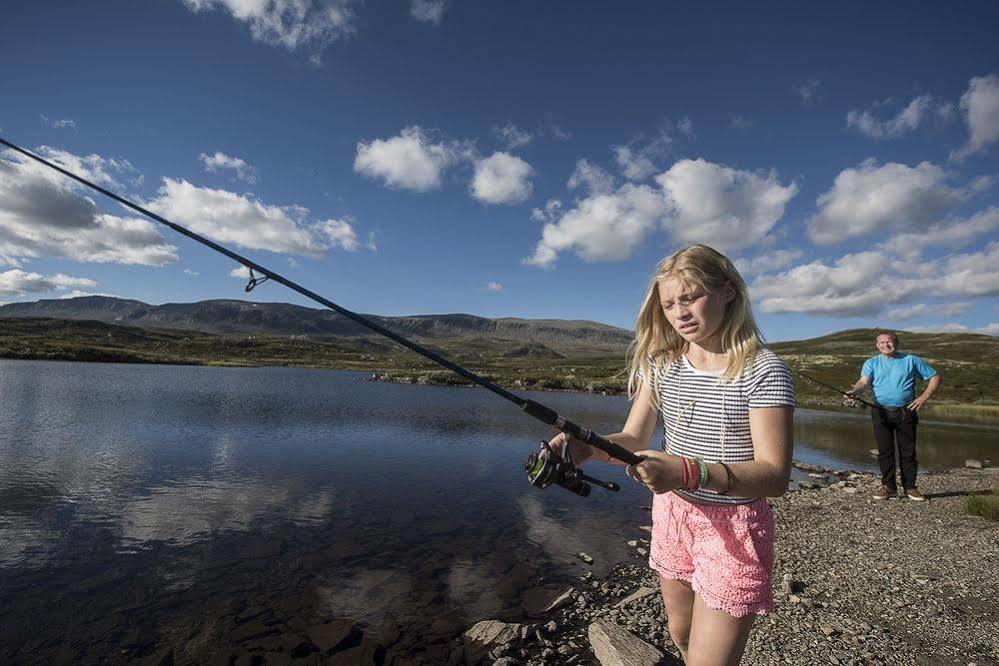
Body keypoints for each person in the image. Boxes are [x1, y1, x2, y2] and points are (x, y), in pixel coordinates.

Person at [550, 244, 794, 665]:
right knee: (680, 634)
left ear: (728, 291)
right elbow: (632, 436)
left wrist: (686, 471)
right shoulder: (662, 365)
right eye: (669, 304)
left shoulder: (765, 369)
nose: (679, 312)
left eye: (691, 297)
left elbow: (775, 477)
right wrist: (587, 445)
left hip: (734, 528)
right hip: (674, 515)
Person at [847, 331, 941, 501]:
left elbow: (934, 377)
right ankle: (888, 487)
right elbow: (864, 382)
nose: (886, 345)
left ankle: (910, 488)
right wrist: (854, 391)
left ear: (896, 343)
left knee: (908, 452)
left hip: (906, 412)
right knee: (885, 451)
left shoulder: (911, 360)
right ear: (877, 346)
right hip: (880, 411)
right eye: (882, 342)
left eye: (889, 341)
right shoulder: (871, 362)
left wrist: (923, 397)